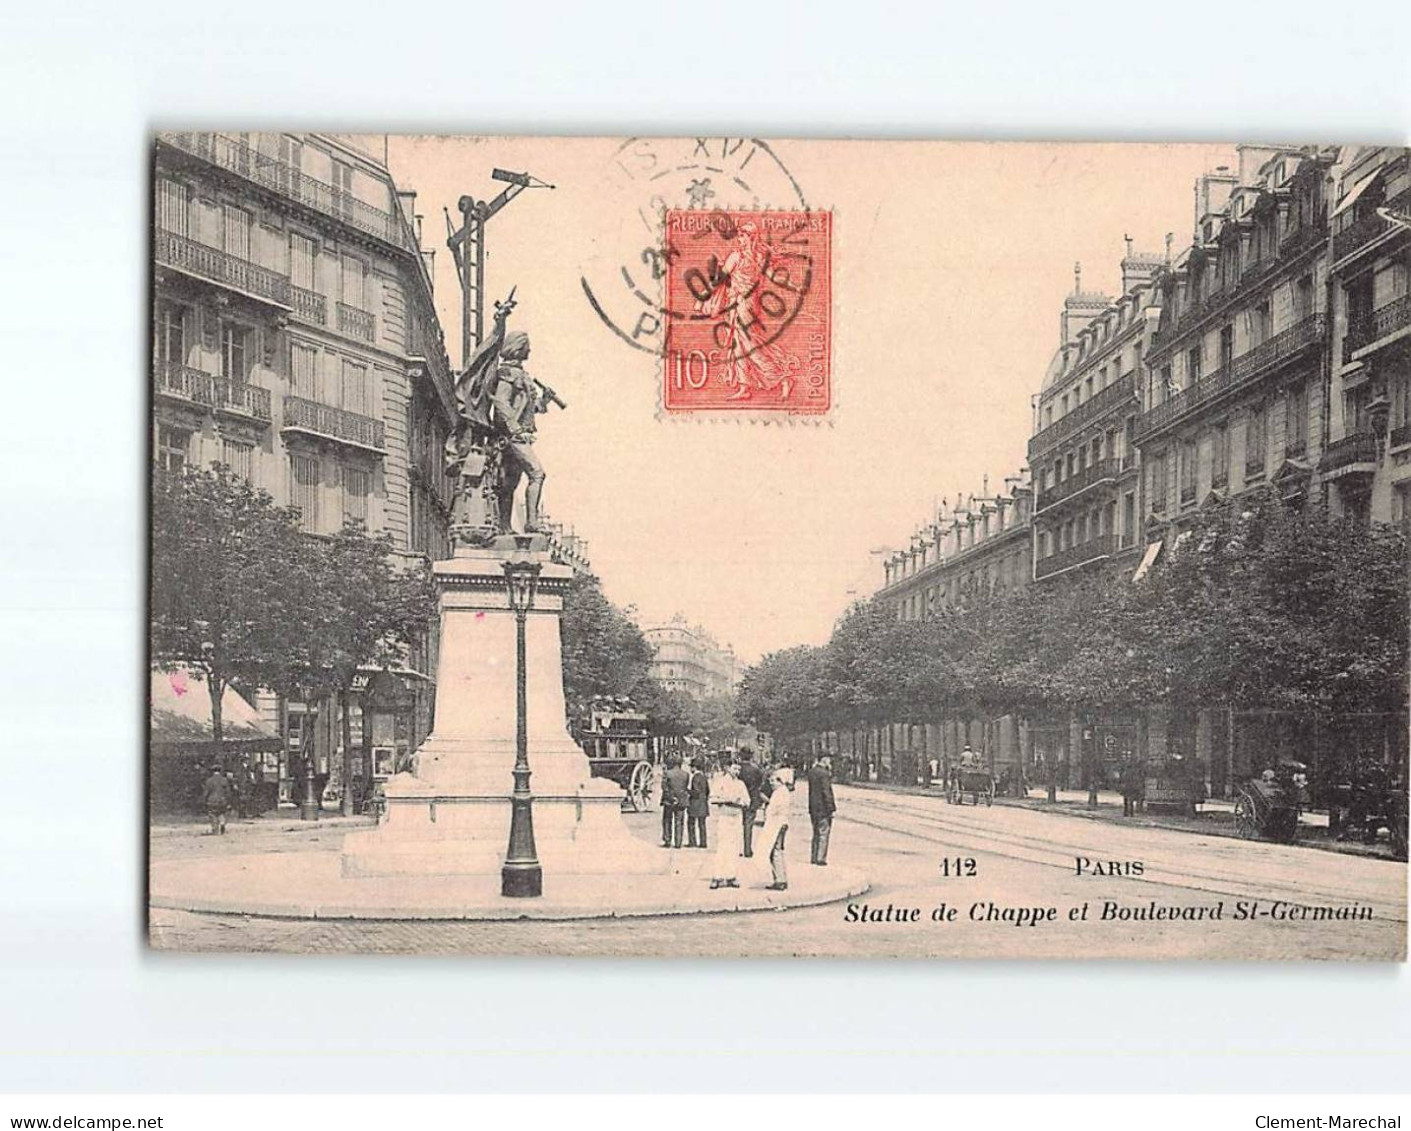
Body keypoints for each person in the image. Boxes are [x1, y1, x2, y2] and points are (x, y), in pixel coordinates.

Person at [490, 331, 552, 533]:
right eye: (527, 346)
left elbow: (526, 408)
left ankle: (505, 527)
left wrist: (544, 401)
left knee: (510, 482)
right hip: (513, 436)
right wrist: (516, 430)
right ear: (518, 348)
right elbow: (500, 402)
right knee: (537, 473)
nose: (529, 350)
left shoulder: (519, 374)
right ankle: (532, 522)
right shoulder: (508, 373)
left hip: (517, 434)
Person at [709, 763, 750, 889]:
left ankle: (731, 875)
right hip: (725, 817)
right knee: (722, 846)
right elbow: (712, 799)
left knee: (735, 847)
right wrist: (726, 800)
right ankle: (717, 876)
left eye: (739, 769)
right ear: (728, 768)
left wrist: (740, 802)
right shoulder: (720, 782)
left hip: (736, 817)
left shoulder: (741, 784)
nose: (737, 771)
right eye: (734, 768)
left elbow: (747, 801)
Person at [760, 768, 794, 890]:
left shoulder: (779, 793)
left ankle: (779, 880)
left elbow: (772, 810)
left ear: (780, 781)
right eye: (770, 781)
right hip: (781, 823)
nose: (772, 784)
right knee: (777, 850)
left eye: (773, 781)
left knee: (775, 851)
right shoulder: (783, 791)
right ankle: (781, 878)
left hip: (777, 824)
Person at [807, 755, 837, 866]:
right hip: (823, 808)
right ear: (824, 759)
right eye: (829, 759)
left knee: (815, 832)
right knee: (824, 832)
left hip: (813, 807)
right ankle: (821, 858)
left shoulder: (812, 772)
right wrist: (831, 808)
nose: (830, 761)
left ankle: (814, 856)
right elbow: (826, 792)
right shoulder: (824, 774)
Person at [738, 747, 765, 858]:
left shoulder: (737, 769)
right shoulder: (756, 770)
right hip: (752, 800)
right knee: (748, 825)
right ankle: (747, 849)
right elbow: (760, 784)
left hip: (739, 800)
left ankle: (737, 848)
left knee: (737, 824)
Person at [660, 754, 689, 849]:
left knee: (667, 820)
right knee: (679, 821)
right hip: (681, 801)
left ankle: (668, 840)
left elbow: (664, 787)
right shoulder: (686, 774)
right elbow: (684, 787)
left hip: (669, 801)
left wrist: (672, 797)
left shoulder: (667, 773)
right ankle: (678, 842)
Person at [201, 764, 235, 836]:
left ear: (212, 771)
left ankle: (215, 828)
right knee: (221, 813)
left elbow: (206, 792)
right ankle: (222, 823)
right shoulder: (224, 780)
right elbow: (228, 792)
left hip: (212, 801)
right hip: (222, 801)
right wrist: (229, 801)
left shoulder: (209, 781)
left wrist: (204, 800)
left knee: (212, 814)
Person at [687, 756, 711, 848]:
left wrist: (688, 791)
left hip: (695, 804)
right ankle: (703, 843)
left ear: (694, 767)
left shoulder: (695, 777)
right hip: (703, 804)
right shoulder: (704, 777)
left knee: (691, 823)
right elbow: (708, 791)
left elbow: (696, 792)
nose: (690, 769)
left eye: (691, 767)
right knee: (702, 824)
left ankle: (692, 842)